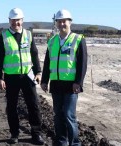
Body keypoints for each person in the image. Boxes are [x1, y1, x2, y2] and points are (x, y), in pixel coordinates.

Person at [0, 8, 45, 145]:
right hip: (11, 77)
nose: (15, 22)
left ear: (22, 20)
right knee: (11, 106)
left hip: (28, 76)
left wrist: (38, 72)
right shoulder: (4, 36)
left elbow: (34, 54)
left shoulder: (28, 35)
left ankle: (36, 134)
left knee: (33, 105)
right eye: (13, 20)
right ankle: (14, 133)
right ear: (9, 21)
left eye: (18, 20)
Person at [40, 9, 87, 146]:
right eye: (59, 22)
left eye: (64, 21)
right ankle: (61, 141)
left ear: (70, 22)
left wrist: (78, 82)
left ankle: (75, 143)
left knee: (68, 114)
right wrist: (44, 80)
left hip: (71, 85)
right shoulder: (52, 41)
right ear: (56, 23)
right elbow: (48, 62)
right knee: (58, 115)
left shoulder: (78, 39)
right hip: (55, 84)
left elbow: (82, 63)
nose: (61, 24)